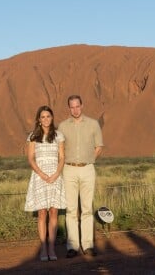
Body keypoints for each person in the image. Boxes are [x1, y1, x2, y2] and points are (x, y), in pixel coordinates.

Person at [58, 95, 103, 258]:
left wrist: (90, 160)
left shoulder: (93, 124)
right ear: (68, 108)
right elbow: (60, 149)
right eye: (72, 107)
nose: (75, 109)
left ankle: (88, 245)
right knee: (70, 209)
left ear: (82, 106)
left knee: (86, 209)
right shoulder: (62, 126)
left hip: (87, 169)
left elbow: (99, 146)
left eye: (77, 106)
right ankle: (72, 246)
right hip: (69, 169)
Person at [24, 105, 66, 262]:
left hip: (55, 175)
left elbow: (62, 157)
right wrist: (41, 174)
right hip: (39, 176)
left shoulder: (59, 136)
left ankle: (51, 247)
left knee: (54, 212)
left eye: (48, 116)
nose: (46, 119)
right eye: (43, 117)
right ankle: (43, 248)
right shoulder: (33, 136)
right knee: (42, 212)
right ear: (38, 120)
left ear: (52, 118)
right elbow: (30, 158)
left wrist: (56, 174)